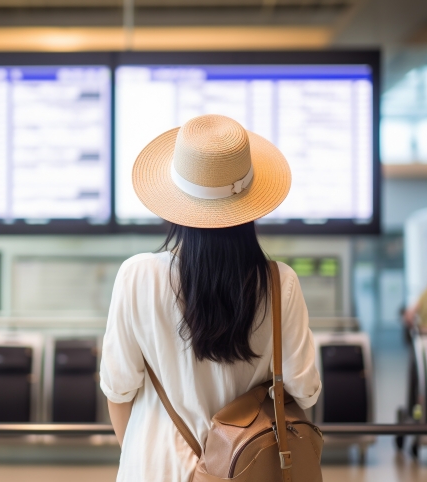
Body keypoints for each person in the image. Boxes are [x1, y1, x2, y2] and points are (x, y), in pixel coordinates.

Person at [99, 114, 322, 482]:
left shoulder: (137, 275)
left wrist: (142, 453)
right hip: (246, 470)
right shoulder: (279, 283)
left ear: (177, 203)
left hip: (153, 471)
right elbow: (304, 391)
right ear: (250, 203)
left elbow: (118, 389)